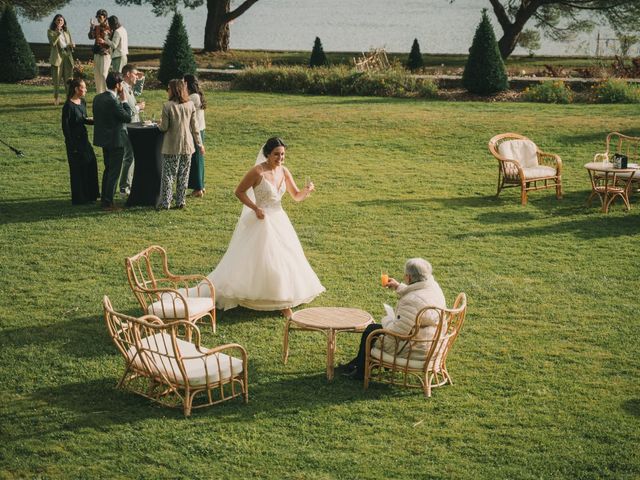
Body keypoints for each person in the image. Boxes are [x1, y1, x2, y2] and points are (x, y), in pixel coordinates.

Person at [198, 137, 325, 318]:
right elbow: (239, 191)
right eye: (276, 154)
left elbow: (296, 196)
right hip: (262, 219)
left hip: (279, 219)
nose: (280, 158)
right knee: (264, 259)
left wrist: (307, 191)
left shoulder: (284, 171)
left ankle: (283, 298)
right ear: (267, 154)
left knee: (286, 257)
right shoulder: (257, 172)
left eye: (282, 154)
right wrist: (255, 208)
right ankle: (274, 300)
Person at [341, 258, 446, 380]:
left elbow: (397, 332)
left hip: (414, 348)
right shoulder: (433, 288)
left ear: (409, 278)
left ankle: (361, 372)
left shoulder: (411, 301)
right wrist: (399, 287)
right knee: (374, 329)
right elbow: (417, 295)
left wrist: (387, 319)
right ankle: (357, 364)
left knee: (372, 330)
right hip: (431, 341)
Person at [157, 79, 204, 210]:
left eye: (168, 88)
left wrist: (158, 124)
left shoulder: (167, 106)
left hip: (171, 146)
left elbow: (164, 127)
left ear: (173, 90)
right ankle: (180, 201)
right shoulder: (190, 105)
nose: (167, 91)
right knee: (184, 175)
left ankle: (166, 202)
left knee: (168, 175)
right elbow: (195, 128)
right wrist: (200, 144)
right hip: (187, 145)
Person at [92, 71, 132, 210]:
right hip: (116, 141)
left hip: (104, 140)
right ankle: (108, 203)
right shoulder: (113, 101)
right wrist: (125, 101)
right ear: (117, 85)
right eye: (121, 83)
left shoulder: (98, 98)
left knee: (108, 170)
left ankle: (105, 198)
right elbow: (128, 117)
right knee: (114, 172)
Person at [61, 78, 99, 205]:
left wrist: (98, 120)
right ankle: (80, 198)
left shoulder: (82, 102)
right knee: (78, 170)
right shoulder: (68, 106)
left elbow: (83, 119)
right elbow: (66, 128)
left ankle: (91, 195)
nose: (86, 89)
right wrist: (72, 146)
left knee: (91, 163)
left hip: (84, 140)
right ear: (77, 89)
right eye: (84, 87)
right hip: (74, 143)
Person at [118, 64, 146, 196]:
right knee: (129, 157)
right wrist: (139, 107)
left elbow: (137, 93)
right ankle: (124, 187)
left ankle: (128, 184)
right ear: (128, 74)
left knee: (132, 156)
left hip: (133, 126)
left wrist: (141, 79)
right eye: (135, 74)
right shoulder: (121, 88)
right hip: (126, 127)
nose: (137, 76)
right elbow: (127, 110)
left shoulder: (128, 87)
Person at [183, 74, 207, 198]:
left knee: (196, 159)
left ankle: (198, 188)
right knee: (199, 159)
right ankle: (201, 185)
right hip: (200, 129)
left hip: (195, 131)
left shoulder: (193, 97)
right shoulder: (197, 96)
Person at [47, 14, 75, 106]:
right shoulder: (50, 31)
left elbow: (70, 43)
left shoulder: (67, 32)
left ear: (64, 22)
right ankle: (56, 98)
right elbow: (53, 43)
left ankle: (69, 98)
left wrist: (72, 45)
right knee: (56, 80)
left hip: (67, 55)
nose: (60, 22)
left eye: (61, 20)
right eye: (58, 20)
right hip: (57, 57)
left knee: (69, 79)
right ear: (55, 21)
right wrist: (58, 33)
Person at [88, 9, 111, 93]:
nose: (98, 18)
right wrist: (91, 27)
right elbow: (91, 37)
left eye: (100, 17)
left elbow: (113, 43)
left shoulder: (109, 28)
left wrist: (105, 42)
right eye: (97, 17)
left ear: (105, 17)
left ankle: (107, 93)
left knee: (104, 74)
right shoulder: (96, 27)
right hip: (97, 53)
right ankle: (99, 94)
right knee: (97, 75)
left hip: (105, 54)